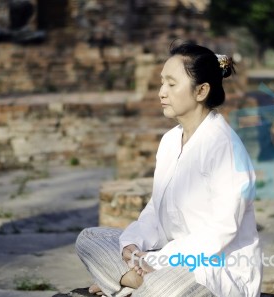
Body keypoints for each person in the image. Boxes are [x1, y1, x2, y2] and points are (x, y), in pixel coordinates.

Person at [75, 42, 262, 297]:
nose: (162, 92)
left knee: (166, 286)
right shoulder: (170, 141)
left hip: (213, 270)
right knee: (89, 239)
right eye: (162, 83)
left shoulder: (224, 147)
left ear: (201, 91)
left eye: (172, 84)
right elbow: (156, 207)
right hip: (164, 262)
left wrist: (159, 260)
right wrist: (132, 244)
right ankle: (134, 283)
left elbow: (222, 230)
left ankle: (125, 283)